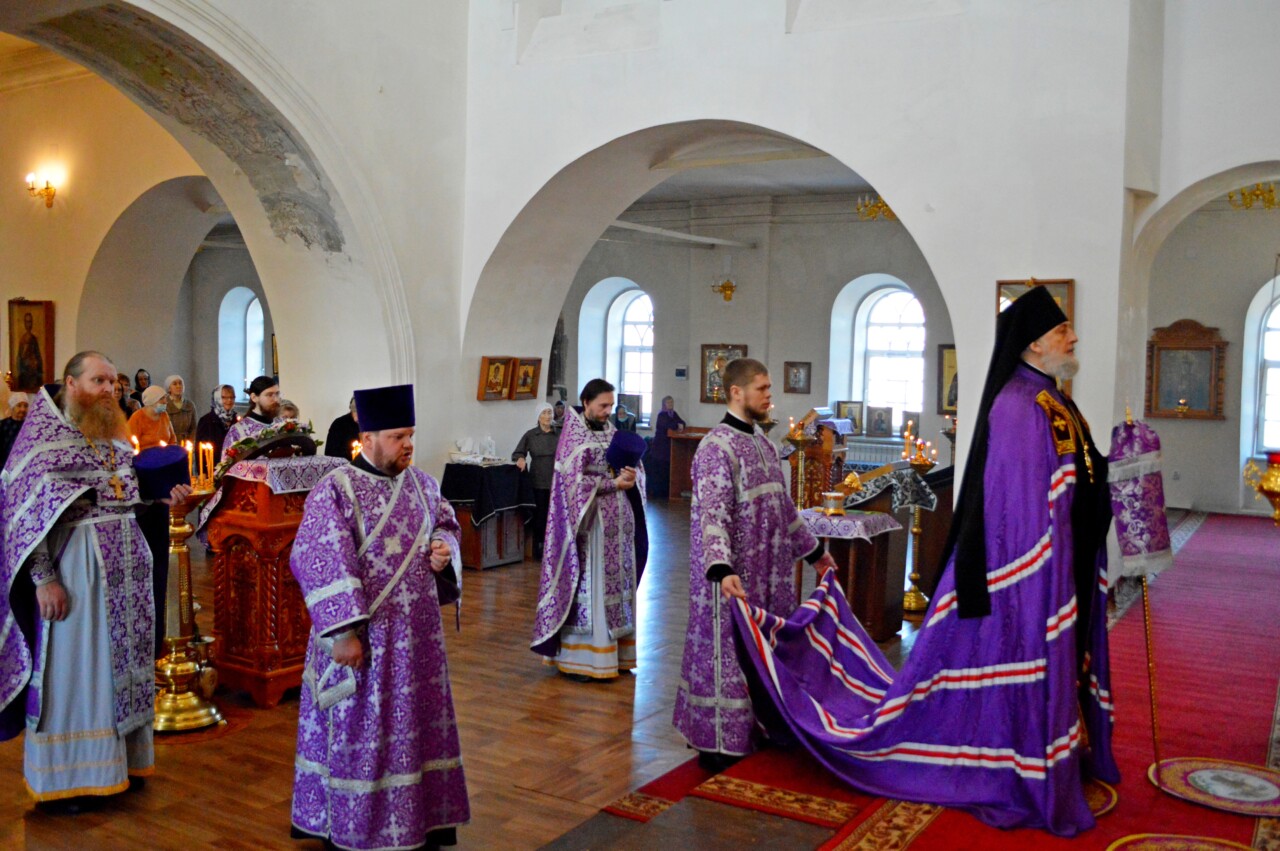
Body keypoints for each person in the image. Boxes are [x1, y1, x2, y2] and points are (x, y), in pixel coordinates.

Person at [728, 286, 1118, 836]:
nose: (1073, 337)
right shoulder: (1019, 405)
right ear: (1033, 344)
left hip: (1054, 569)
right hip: (1023, 575)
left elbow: (1079, 477)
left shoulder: (1051, 398)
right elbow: (1020, 509)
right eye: (1061, 331)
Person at [0, 352, 189, 805]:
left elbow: (126, 498)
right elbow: (21, 517)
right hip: (77, 573)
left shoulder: (115, 439)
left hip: (126, 571)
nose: (110, 389)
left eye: (112, 381)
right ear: (71, 383)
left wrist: (162, 498)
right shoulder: (42, 443)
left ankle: (122, 760)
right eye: (98, 380)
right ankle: (70, 781)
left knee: (121, 669)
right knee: (78, 673)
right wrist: (43, 579)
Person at [289, 384, 469, 850]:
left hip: (418, 644)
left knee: (414, 733)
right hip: (363, 644)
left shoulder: (425, 485)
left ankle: (418, 821)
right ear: (366, 437)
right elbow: (319, 557)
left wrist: (445, 550)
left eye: (411, 435)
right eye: (396, 436)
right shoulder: (336, 490)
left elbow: (448, 525)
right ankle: (357, 826)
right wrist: (344, 633)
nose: (408, 445)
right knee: (361, 733)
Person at [672, 358, 836, 769]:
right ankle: (718, 744)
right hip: (731, 578)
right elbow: (712, 515)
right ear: (736, 393)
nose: (769, 395)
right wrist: (722, 568)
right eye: (761, 388)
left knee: (764, 650)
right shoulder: (716, 447)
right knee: (727, 654)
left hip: (771, 575)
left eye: (768, 388)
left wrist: (815, 552)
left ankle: (761, 727)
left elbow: (784, 508)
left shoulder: (763, 444)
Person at [531, 379, 643, 680]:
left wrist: (632, 476)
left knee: (619, 589)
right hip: (589, 528)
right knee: (591, 590)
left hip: (619, 527)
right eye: (602, 405)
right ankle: (584, 660)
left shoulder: (612, 432)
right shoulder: (573, 437)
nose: (608, 411)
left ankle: (618, 656)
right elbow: (572, 486)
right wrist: (611, 484)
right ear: (586, 402)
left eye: (610, 405)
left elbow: (631, 471)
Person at [512, 403, 558, 560]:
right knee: (540, 515)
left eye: (550, 413)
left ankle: (554, 546)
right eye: (545, 413)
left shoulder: (559, 433)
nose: (548, 416)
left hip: (556, 480)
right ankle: (539, 546)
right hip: (538, 480)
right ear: (538, 417)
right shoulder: (531, 435)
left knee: (555, 515)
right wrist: (521, 458)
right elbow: (518, 452)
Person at [222, 375, 281, 452]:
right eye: (269, 395)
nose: (276, 399)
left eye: (277, 394)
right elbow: (228, 462)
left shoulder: (283, 424)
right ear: (254, 397)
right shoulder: (239, 431)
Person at [647, 395, 685, 499]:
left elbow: (682, 422)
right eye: (668, 403)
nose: (671, 405)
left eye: (672, 402)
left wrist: (680, 424)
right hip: (660, 447)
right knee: (659, 470)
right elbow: (668, 425)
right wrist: (677, 425)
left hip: (668, 447)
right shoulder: (662, 414)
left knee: (666, 470)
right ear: (664, 404)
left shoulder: (673, 413)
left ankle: (665, 493)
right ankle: (657, 493)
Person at [196, 385, 239, 464]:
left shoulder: (236, 420)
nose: (229, 400)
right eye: (224, 397)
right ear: (216, 398)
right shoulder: (206, 421)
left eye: (232, 397)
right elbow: (200, 450)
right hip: (212, 466)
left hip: (233, 467)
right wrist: (203, 473)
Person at [128, 385, 177, 450]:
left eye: (165, 398)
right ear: (152, 401)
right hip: (144, 458)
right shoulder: (137, 417)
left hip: (164, 456)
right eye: (161, 398)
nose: (165, 401)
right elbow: (130, 444)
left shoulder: (164, 415)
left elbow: (172, 438)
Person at [163, 375, 197, 445]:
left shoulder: (189, 404)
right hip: (170, 443)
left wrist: (191, 441)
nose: (178, 386)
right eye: (175, 384)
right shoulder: (164, 404)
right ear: (169, 388)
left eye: (180, 383)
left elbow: (194, 427)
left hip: (186, 443)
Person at [0, 392, 29, 469]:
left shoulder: (29, 425)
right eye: (19, 406)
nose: (23, 409)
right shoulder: (3, 425)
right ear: (12, 407)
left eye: (25, 406)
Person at [17, 311, 43, 390]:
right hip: (25, 374)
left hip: (33, 373)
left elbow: (38, 356)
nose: (29, 324)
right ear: (24, 323)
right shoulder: (22, 340)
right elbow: (20, 357)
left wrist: (36, 364)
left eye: (30, 322)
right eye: (27, 322)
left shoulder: (34, 339)